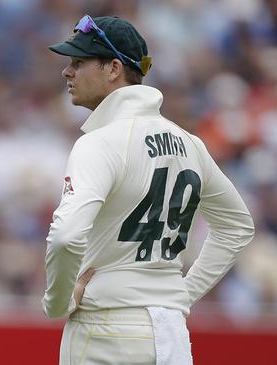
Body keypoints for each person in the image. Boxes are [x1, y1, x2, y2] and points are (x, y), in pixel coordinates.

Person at [43, 15, 255, 364]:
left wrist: (58, 302)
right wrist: (179, 295)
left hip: (105, 328)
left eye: (79, 62)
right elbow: (237, 227)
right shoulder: (189, 143)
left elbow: (66, 236)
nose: (67, 71)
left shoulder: (99, 142)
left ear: (113, 68)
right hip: (171, 333)